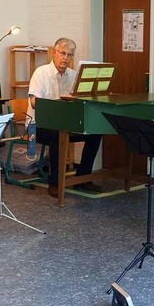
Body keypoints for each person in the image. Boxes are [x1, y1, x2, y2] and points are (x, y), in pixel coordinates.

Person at [27, 37, 102, 198]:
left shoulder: (74, 75)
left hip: (65, 123)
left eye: (70, 55)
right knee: (57, 135)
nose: (66, 58)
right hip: (38, 125)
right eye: (63, 53)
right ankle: (55, 182)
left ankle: (82, 177)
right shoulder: (41, 73)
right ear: (54, 53)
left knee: (95, 133)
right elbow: (34, 102)